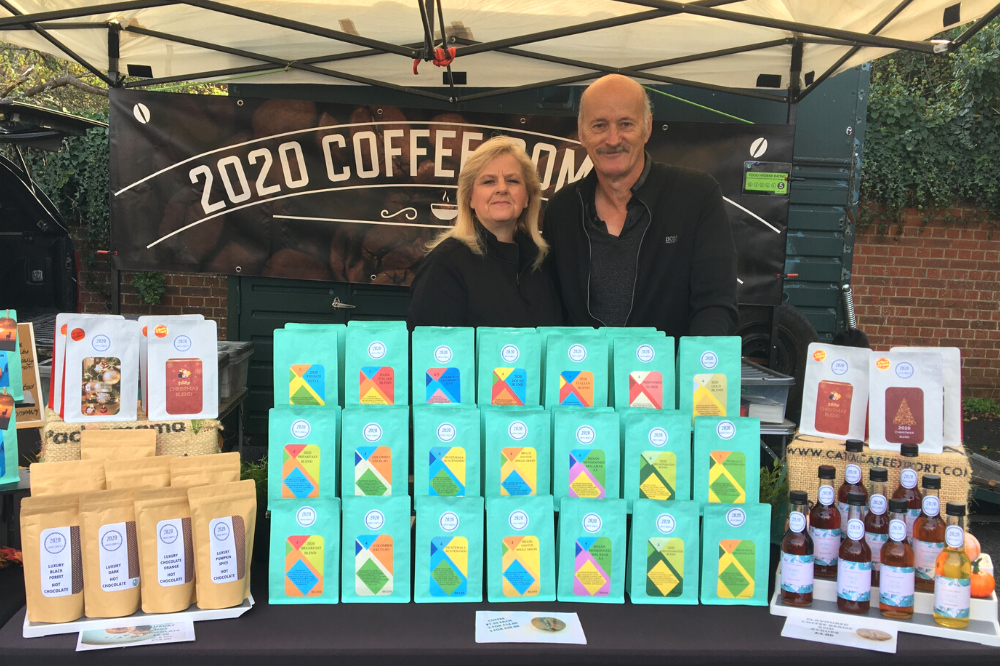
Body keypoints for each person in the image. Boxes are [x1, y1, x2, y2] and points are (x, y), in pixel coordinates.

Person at [543, 74, 739, 337]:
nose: (613, 139)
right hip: (579, 377)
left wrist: (693, 372)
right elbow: (552, 311)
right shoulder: (562, 209)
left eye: (626, 124)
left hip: (669, 376)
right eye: (599, 125)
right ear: (581, 133)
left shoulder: (697, 195)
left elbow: (715, 306)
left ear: (647, 126)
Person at [407, 136, 563, 328]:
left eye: (512, 181)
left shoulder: (541, 262)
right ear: (470, 198)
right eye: (488, 181)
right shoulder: (445, 264)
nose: (502, 189)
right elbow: (429, 351)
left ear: (527, 198)